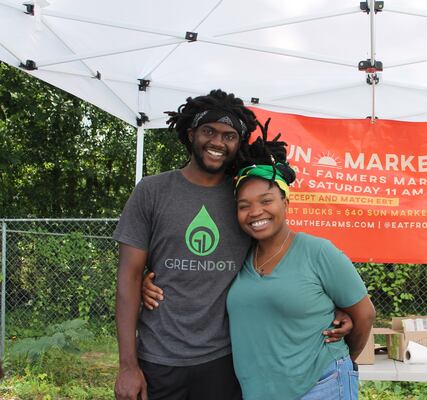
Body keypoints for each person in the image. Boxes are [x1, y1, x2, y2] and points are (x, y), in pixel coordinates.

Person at [113, 90, 352, 400]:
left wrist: (330, 309)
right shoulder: (152, 191)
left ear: (239, 143)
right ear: (191, 133)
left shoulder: (244, 198)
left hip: (225, 361)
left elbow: (282, 258)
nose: (217, 142)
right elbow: (128, 278)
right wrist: (128, 365)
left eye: (229, 135)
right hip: (158, 357)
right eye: (208, 131)